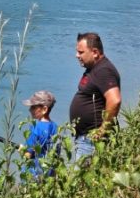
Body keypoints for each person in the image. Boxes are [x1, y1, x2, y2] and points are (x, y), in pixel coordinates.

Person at [69, 32, 121, 164]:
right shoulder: (95, 69)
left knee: (80, 182)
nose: (77, 56)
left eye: (81, 52)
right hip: (85, 139)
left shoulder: (103, 71)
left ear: (95, 52)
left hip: (91, 140)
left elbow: (115, 100)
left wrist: (103, 130)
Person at [21, 90, 58, 177]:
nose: (30, 109)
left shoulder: (35, 128)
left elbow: (28, 154)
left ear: (44, 109)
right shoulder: (55, 127)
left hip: (33, 174)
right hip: (48, 174)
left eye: (33, 107)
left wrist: (22, 150)